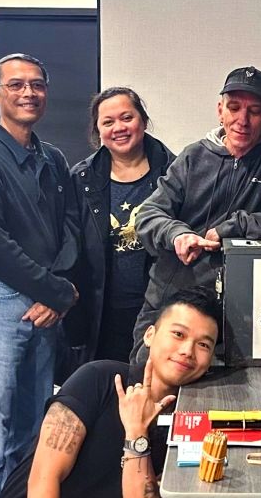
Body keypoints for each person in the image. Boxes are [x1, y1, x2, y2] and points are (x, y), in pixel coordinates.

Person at [130, 66, 261, 363]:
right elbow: (149, 213)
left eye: (254, 111)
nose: (242, 120)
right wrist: (177, 234)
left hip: (242, 314)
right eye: (234, 108)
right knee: (148, 384)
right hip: (172, 302)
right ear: (220, 110)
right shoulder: (193, 157)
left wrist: (235, 227)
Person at [0, 52, 79, 496]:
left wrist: (54, 292)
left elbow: (71, 228)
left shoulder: (55, 160)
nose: (29, 93)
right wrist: (56, 292)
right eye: (16, 85)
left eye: (37, 84)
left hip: (44, 307)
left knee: (28, 438)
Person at [0, 286, 220, 498]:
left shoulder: (189, 419)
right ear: (150, 335)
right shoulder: (98, 379)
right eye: (178, 334)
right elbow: (43, 481)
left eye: (203, 345)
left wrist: (136, 433)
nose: (187, 351)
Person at [61, 87, 175, 374]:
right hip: (101, 312)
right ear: (97, 130)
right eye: (108, 122)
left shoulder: (175, 172)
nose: (119, 128)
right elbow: (70, 246)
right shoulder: (81, 179)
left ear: (143, 120)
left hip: (159, 309)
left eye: (127, 117)